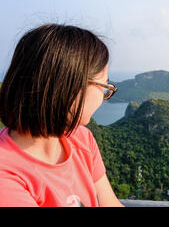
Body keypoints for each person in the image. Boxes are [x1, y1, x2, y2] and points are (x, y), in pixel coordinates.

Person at [0, 24, 124, 207]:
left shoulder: (82, 139)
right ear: (71, 87)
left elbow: (110, 204)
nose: (104, 96)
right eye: (104, 87)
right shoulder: (7, 176)